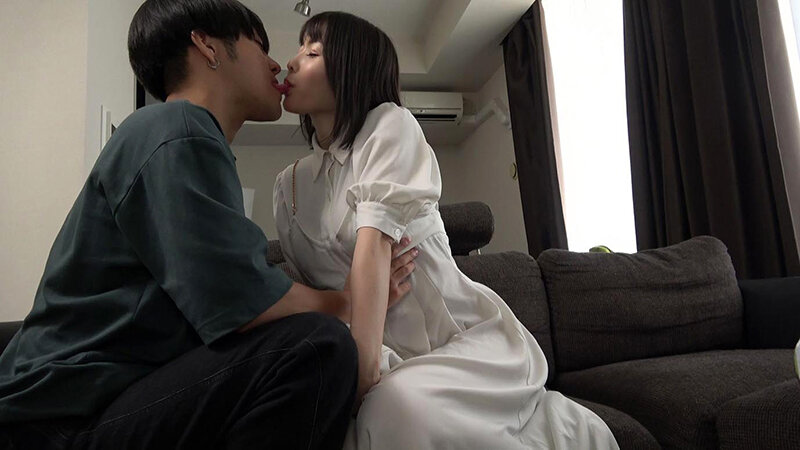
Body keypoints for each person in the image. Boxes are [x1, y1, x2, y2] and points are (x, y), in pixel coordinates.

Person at [0, 1, 416, 449]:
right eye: (260, 46)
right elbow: (242, 300)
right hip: (55, 423)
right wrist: (351, 301)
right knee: (317, 346)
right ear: (207, 46)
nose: (276, 64)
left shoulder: (175, 134)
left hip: (88, 405)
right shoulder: (177, 128)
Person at [274, 11, 621, 449]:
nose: (292, 60)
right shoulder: (288, 187)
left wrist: (360, 382)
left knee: (394, 407)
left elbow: (374, 246)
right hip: (370, 350)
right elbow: (310, 298)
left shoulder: (389, 126)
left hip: (455, 344)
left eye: (313, 52)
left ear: (351, 68)